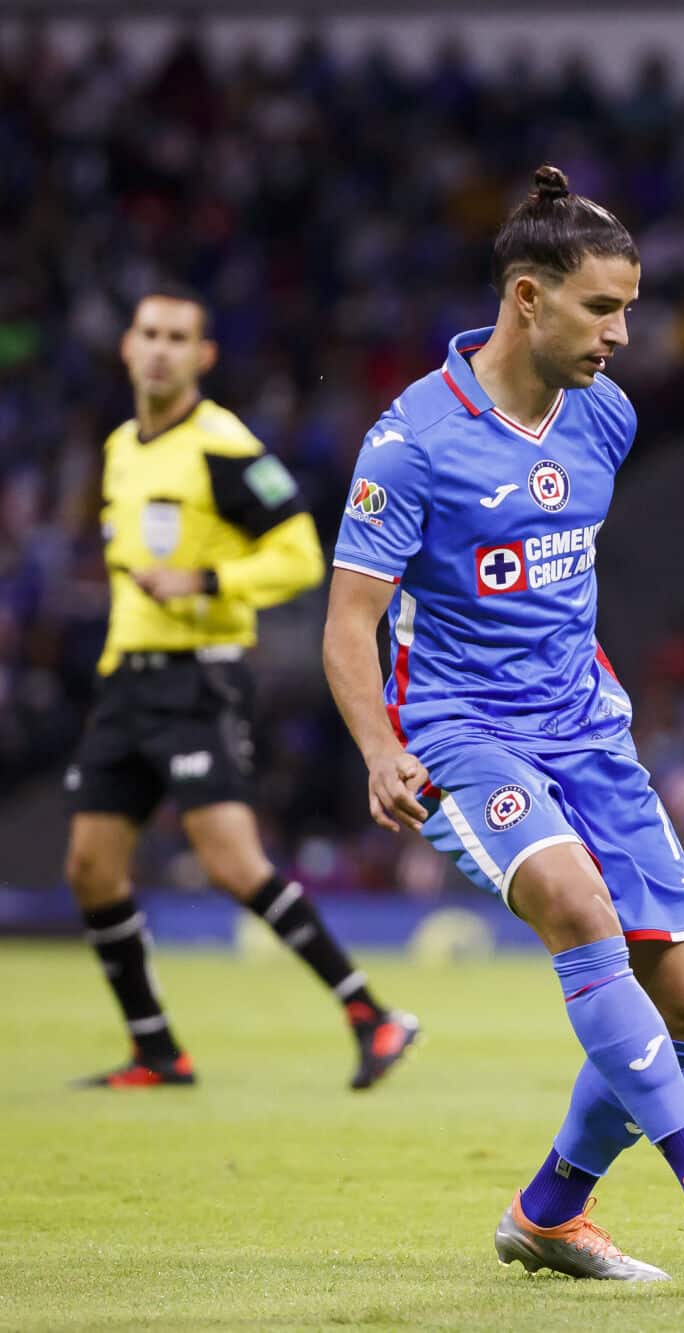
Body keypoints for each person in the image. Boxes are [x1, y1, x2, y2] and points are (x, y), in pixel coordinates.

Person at [322, 166, 684, 1279]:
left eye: (629, 308)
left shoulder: (604, 415)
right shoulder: (412, 442)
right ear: (526, 296)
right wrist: (380, 749)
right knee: (575, 903)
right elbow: (350, 621)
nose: (624, 333)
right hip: (458, 729)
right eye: (602, 308)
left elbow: (559, 575)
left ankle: (551, 1208)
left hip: (585, 728)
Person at [65, 285, 418, 1091]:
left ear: (203, 356)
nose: (159, 348)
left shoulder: (222, 445)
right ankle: (157, 1049)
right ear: (127, 346)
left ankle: (373, 1014)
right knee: (91, 864)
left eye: (176, 337)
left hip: (199, 680)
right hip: (129, 682)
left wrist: (205, 578)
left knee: (231, 862)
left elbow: (298, 555)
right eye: (148, 333)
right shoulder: (122, 447)